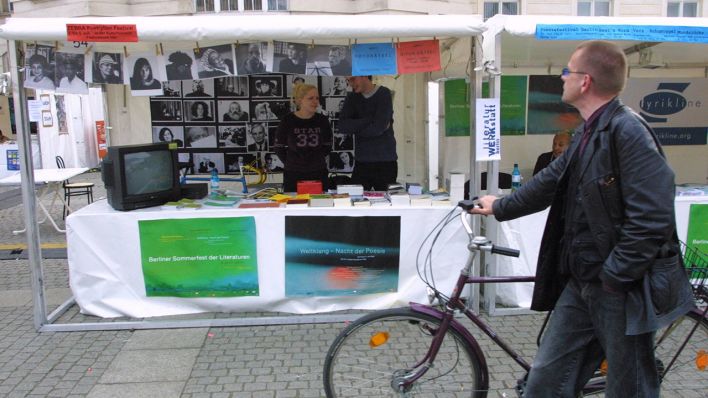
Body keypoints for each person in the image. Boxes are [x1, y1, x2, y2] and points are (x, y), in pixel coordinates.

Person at [470, 40, 693, 398]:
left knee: (629, 386)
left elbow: (652, 217)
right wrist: (500, 206)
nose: (562, 78)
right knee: (545, 381)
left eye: (566, 71)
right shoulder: (588, 132)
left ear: (585, 81)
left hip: (618, 285)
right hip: (583, 280)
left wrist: (615, 276)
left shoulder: (628, 131)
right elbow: (549, 181)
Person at [338, 75, 397, 191]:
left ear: (364, 75)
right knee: (356, 202)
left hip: (385, 161)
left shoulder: (384, 93)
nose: (350, 83)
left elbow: (378, 127)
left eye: (352, 79)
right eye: (348, 80)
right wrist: (371, 120)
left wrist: (356, 127)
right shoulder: (352, 97)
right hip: (362, 161)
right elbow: (343, 126)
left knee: (387, 203)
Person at [273, 83, 333, 192]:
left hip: (318, 171)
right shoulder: (287, 120)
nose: (316, 102)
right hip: (293, 173)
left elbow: (328, 146)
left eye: (317, 98)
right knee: (294, 206)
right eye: (311, 98)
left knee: (320, 204)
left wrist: (315, 160)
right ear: (300, 100)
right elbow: (279, 147)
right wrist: (292, 162)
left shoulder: (322, 120)